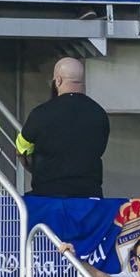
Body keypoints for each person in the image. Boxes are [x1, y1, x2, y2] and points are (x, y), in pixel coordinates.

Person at [16, 55, 111, 197]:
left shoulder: (40, 113)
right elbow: (100, 149)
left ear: (58, 81)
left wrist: (33, 166)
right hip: (89, 197)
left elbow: (21, 149)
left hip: (48, 196)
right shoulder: (99, 114)